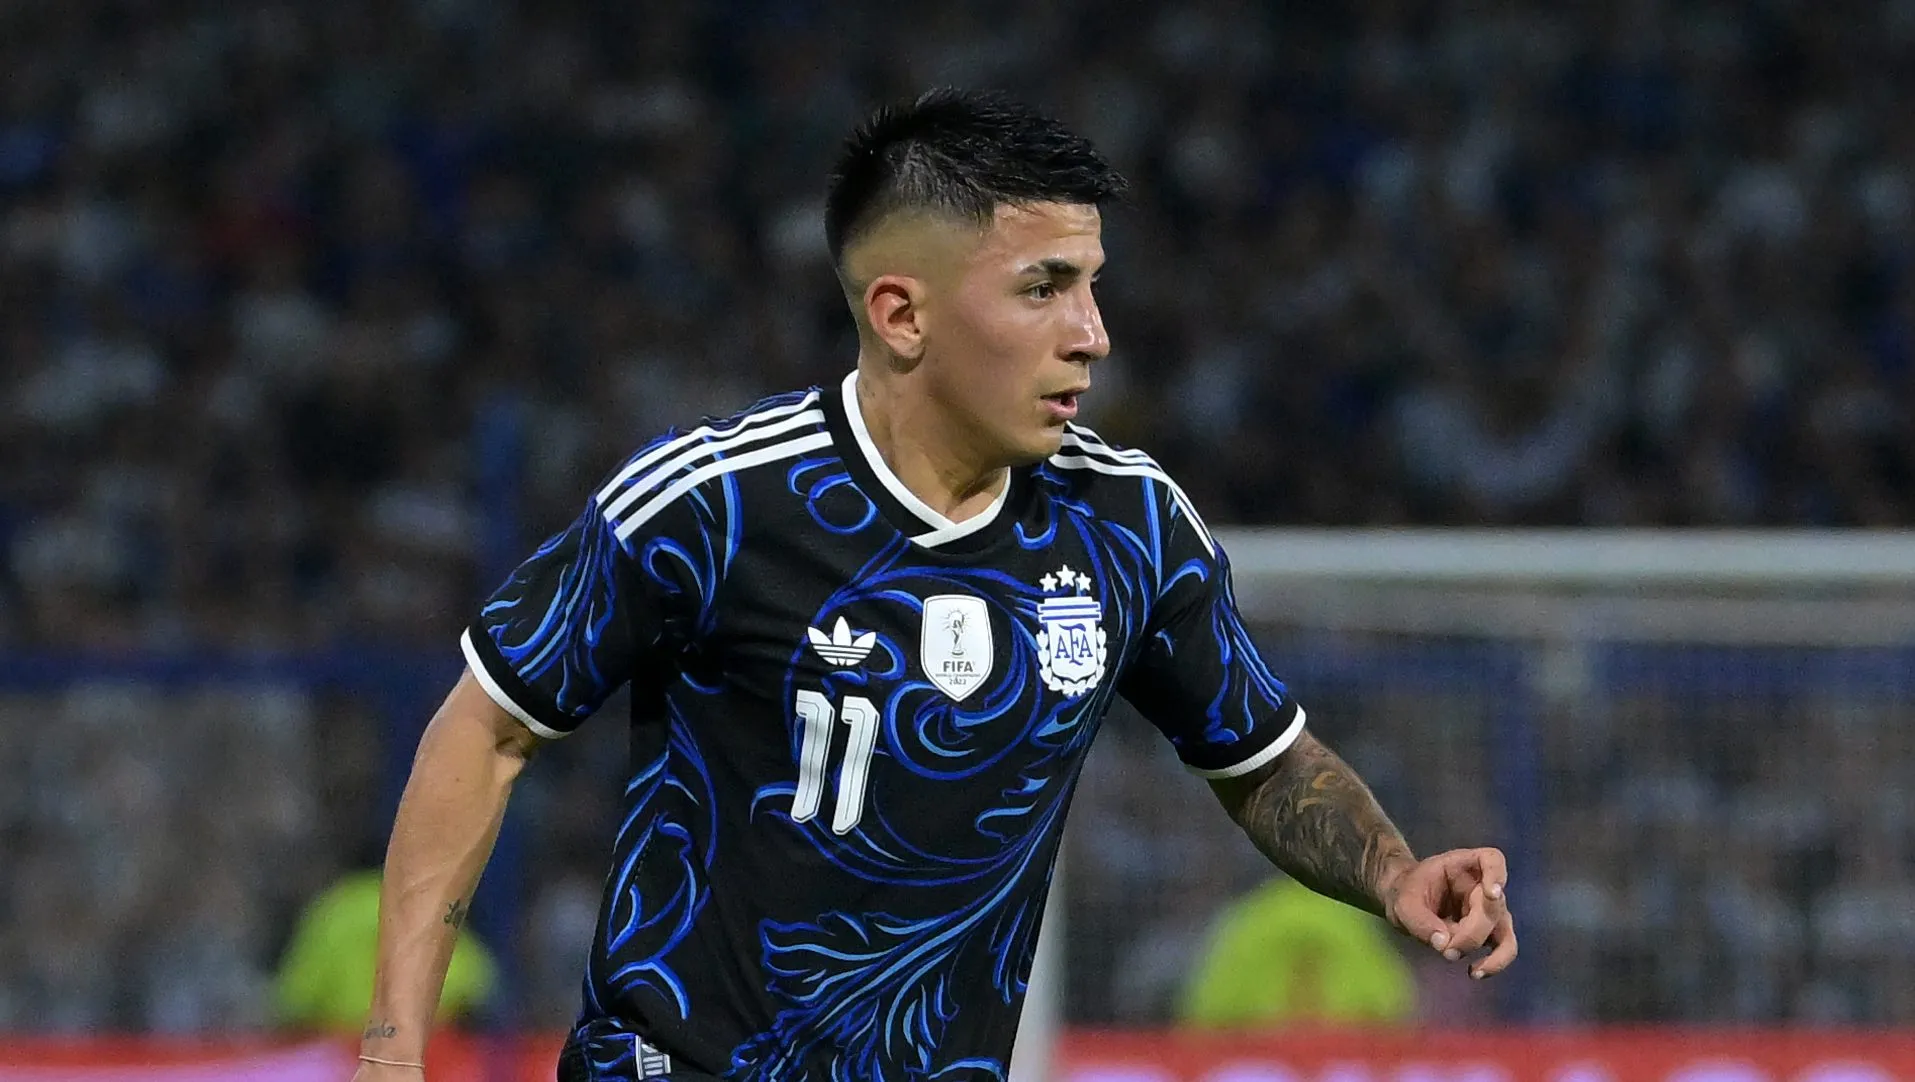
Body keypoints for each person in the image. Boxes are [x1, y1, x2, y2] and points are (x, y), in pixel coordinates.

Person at [354, 89, 1518, 1082]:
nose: (1093, 333)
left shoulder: (1127, 521)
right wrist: (394, 1050)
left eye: (1094, 284)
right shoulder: (714, 500)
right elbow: (488, 725)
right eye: (1043, 287)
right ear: (900, 312)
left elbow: (1264, 763)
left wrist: (1393, 869)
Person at [1178, 875, 1416, 1028]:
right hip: (1341, 1060)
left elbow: (1205, 1016)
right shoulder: (1352, 922)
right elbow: (1395, 1010)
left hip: (1258, 1063)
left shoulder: (1249, 918)